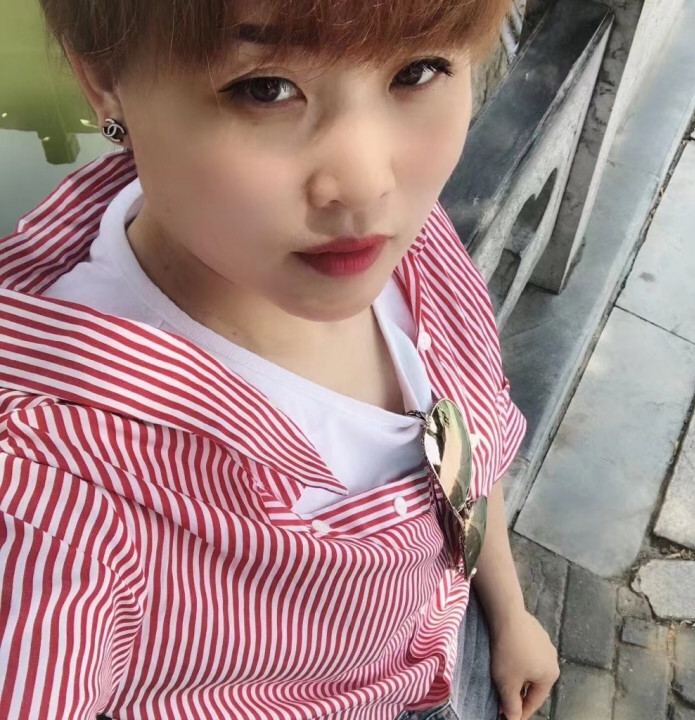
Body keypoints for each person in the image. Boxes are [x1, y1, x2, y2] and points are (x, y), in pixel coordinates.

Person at [0, 0, 560, 718]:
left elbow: (464, 436)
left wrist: (507, 609)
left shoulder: (404, 252)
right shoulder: (52, 493)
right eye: (264, 88)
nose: (367, 182)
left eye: (417, 71)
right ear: (106, 82)